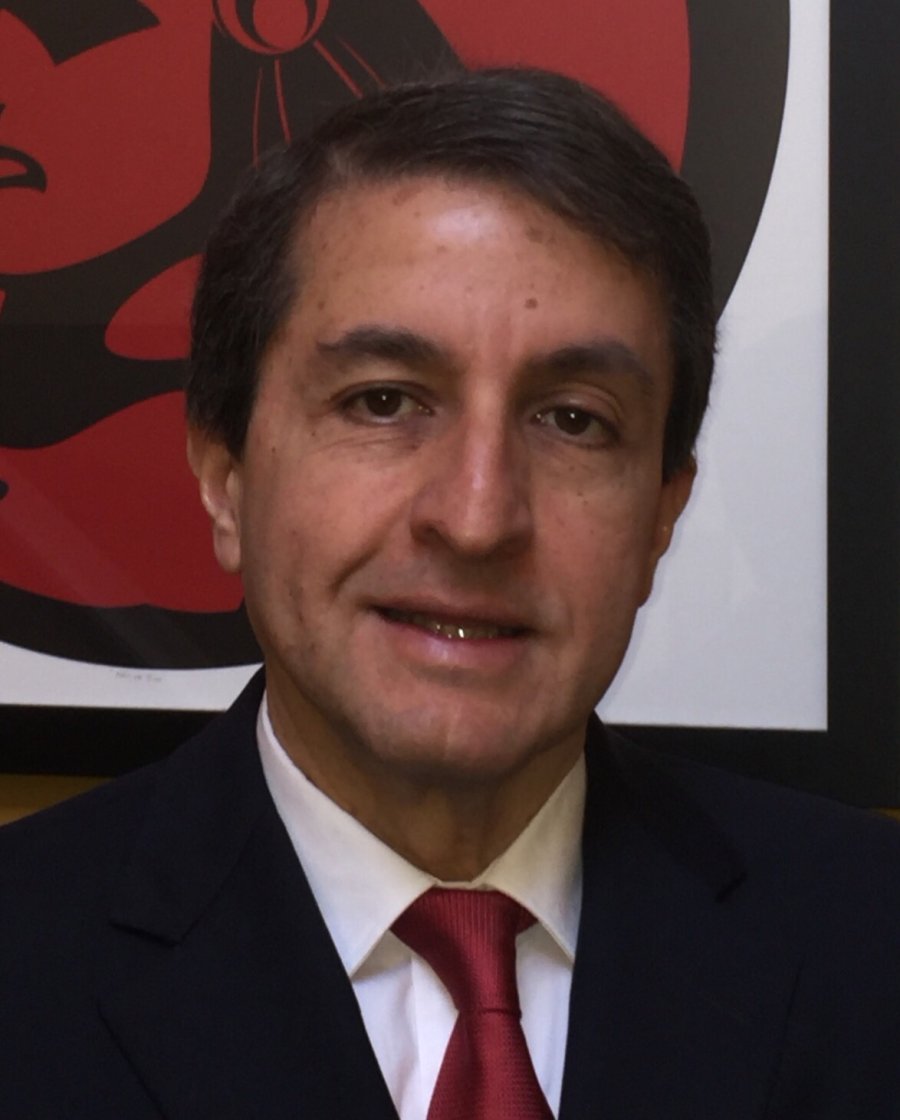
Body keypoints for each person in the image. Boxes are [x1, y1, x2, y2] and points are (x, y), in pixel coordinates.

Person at [2, 68, 899, 1119]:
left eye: (573, 420)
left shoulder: (871, 934)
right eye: (384, 402)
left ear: (664, 512)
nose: (477, 518)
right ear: (224, 474)